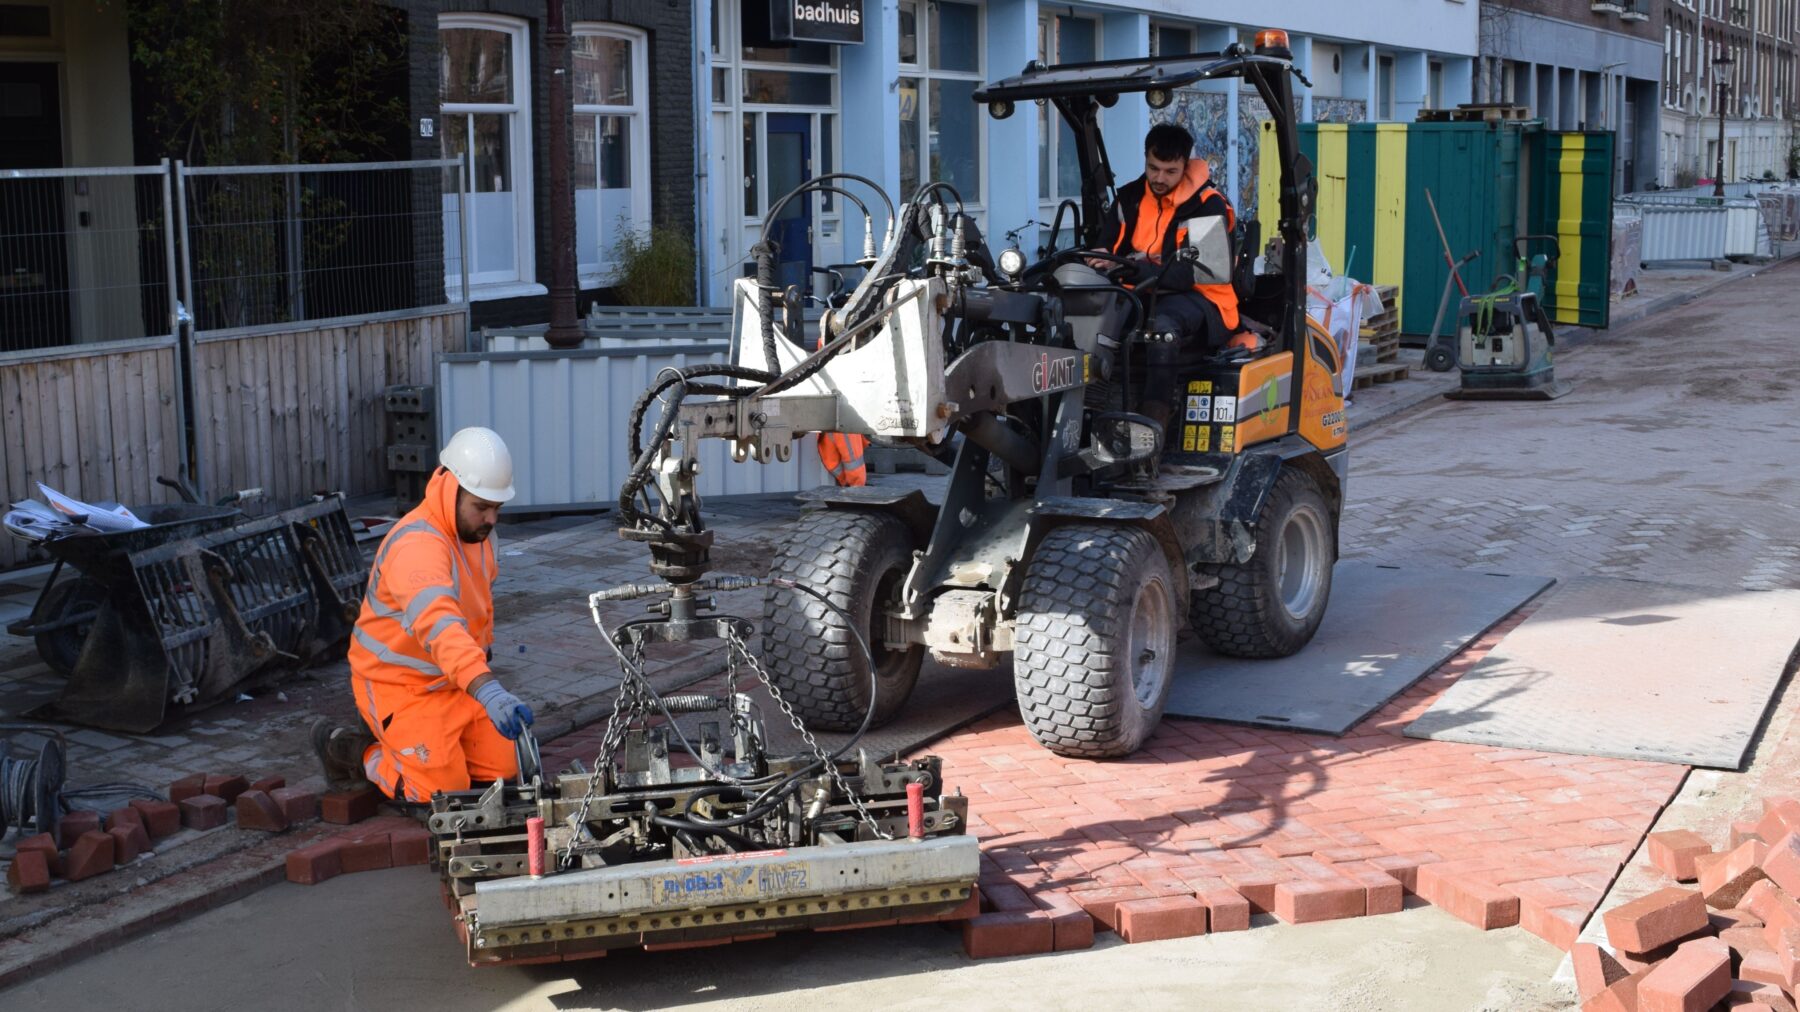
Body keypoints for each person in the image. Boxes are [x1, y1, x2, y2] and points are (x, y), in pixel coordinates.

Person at [312, 427, 535, 801]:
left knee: (511, 766)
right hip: (400, 687)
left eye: (497, 508)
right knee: (441, 793)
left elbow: (476, 614)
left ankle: (430, 749)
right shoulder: (417, 546)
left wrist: (479, 681)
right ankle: (353, 751)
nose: (491, 519)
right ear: (451, 490)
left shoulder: (478, 536)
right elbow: (440, 625)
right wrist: (488, 689)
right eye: (481, 507)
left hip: (453, 682)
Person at [1097, 122, 1255, 430]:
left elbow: (1197, 272)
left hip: (1202, 296)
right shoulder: (1129, 197)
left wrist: (1130, 268)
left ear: (1185, 164)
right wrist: (1099, 255)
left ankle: (1152, 424)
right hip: (1139, 289)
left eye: (1170, 171)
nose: (1159, 178)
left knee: (1161, 329)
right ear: (1145, 159)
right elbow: (1106, 244)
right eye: (1153, 168)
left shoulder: (1208, 205)